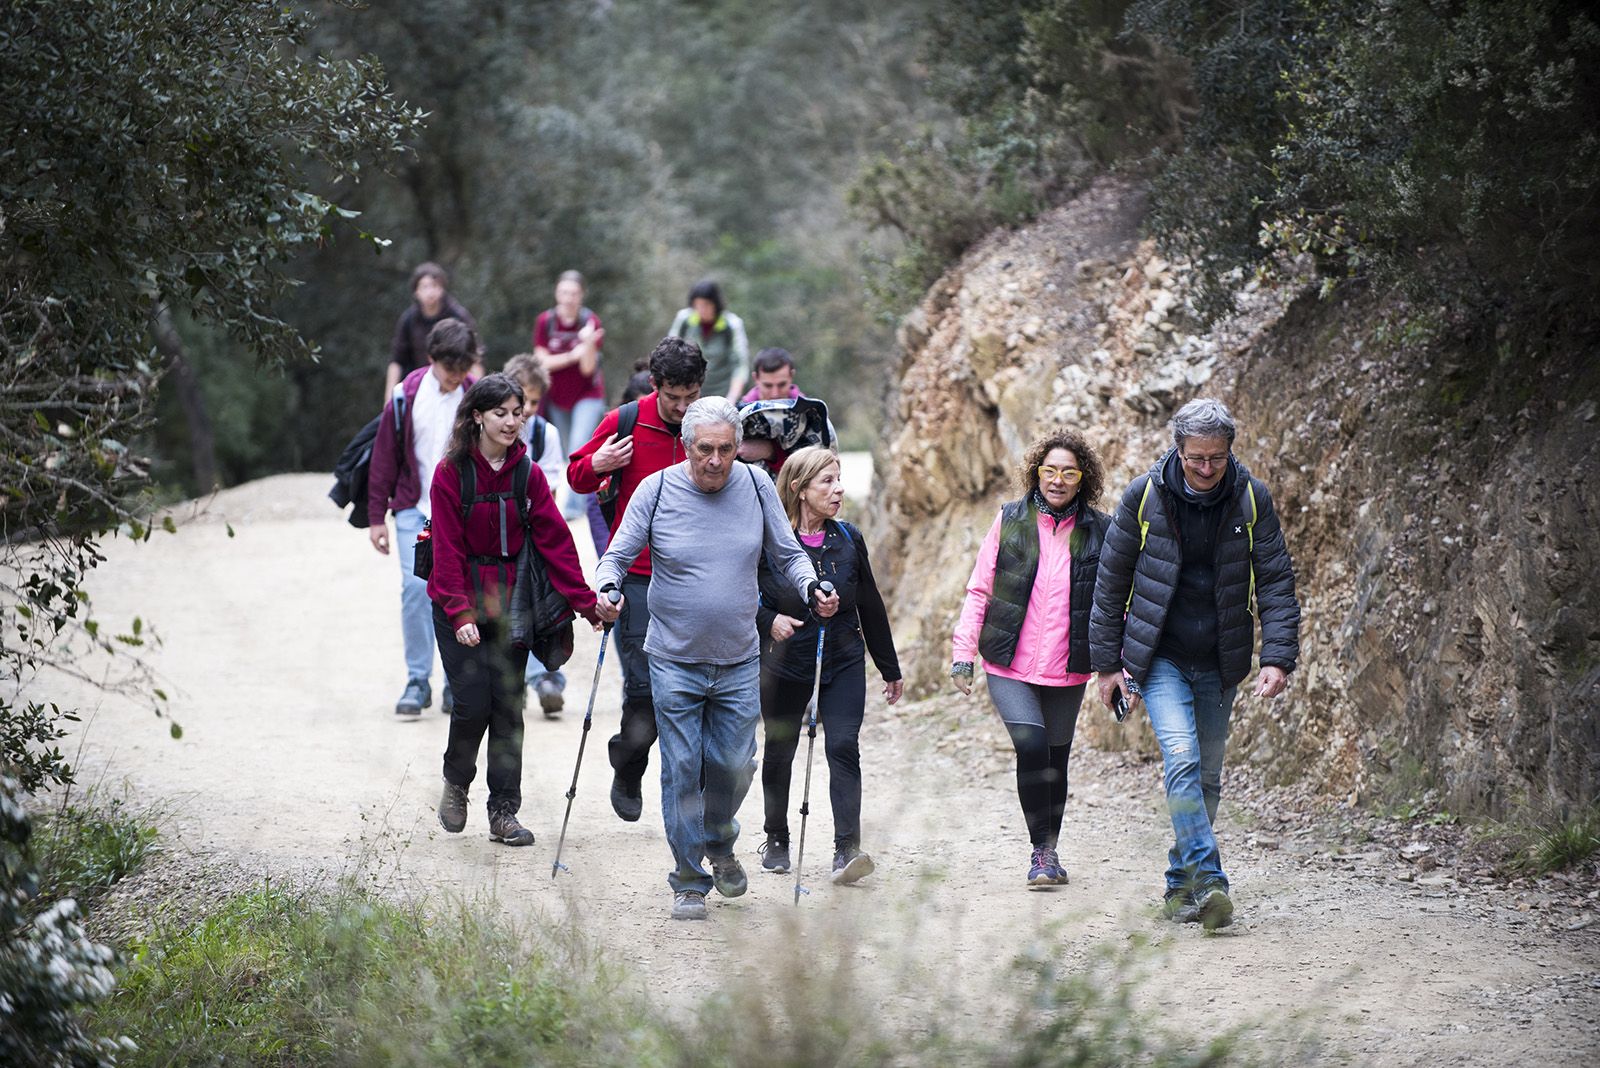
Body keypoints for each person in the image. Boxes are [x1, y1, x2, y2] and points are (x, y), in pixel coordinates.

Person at [593, 398, 837, 920]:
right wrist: (608, 590)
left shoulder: (755, 485)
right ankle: (688, 879)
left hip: (739, 659)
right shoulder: (655, 490)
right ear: (686, 447)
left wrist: (810, 585)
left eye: (726, 449)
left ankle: (719, 842)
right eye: (705, 449)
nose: (716, 460)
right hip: (673, 658)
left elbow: (788, 552)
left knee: (735, 764)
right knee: (682, 767)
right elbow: (616, 556)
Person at [1089, 398, 1300, 930]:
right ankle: (1210, 880)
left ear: (1230, 451)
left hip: (1221, 658)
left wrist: (1277, 657)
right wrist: (1107, 666)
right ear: (1177, 450)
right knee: (1182, 758)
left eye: (1217, 458)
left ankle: (1179, 885)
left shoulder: (1251, 498)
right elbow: (1110, 583)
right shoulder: (1144, 496)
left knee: (1206, 776)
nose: (1207, 468)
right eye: (1196, 458)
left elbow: (1275, 580)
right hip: (1159, 655)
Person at [429, 373, 601, 847]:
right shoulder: (450, 473)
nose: (511, 422)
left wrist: (586, 603)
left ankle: (503, 811)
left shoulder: (528, 474)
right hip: (458, 604)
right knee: (472, 704)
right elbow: (446, 552)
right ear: (477, 416)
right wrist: (460, 614)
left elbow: (556, 542)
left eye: (517, 413)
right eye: (500, 413)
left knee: (508, 708)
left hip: (512, 606)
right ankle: (456, 783)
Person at [950, 430, 1111, 889]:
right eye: (1049, 470)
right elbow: (979, 589)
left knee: (1056, 761)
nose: (1057, 480)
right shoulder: (1011, 519)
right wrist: (963, 653)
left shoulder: (1101, 530)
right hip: (1009, 664)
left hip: (1067, 666)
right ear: (1036, 473)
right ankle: (1039, 851)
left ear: (1083, 478)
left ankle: (1050, 850)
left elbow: (1114, 601)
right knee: (1033, 749)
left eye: (1069, 473)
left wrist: (1116, 665)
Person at [567, 337, 706, 823]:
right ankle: (629, 763)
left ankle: (690, 795)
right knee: (644, 688)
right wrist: (598, 464)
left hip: (697, 579)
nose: (683, 408)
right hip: (638, 578)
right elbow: (577, 477)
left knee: (693, 689)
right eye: (674, 398)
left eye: (692, 396)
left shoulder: (709, 424)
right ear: (654, 385)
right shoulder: (624, 420)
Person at [756, 446, 902, 886]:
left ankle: (846, 850)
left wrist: (889, 668)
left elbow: (870, 603)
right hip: (785, 663)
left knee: (842, 746)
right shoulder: (771, 542)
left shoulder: (848, 538)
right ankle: (776, 837)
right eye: (827, 481)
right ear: (799, 489)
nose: (838, 489)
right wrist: (769, 621)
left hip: (843, 658)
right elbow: (743, 599)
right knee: (780, 749)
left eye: (839, 480)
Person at [368, 318, 478, 715]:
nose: (456, 376)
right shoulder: (405, 395)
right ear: (432, 358)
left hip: (459, 512)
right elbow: (384, 457)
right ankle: (417, 680)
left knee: (459, 592)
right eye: (450, 368)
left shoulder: (474, 397)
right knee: (415, 590)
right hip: (414, 510)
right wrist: (376, 516)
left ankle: (454, 682)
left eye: (463, 368)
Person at [503, 355, 572, 717]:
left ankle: (545, 677)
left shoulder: (546, 435)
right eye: (522, 400)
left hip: (531, 533)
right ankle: (531, 680)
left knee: (536, 608)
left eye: (533, 401)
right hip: (498, 536)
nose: (527, 409)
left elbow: (551, 491)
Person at [532, 270, 606, 521]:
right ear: (556, 293)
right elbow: (541, 362)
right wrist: (572, 355)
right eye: (564, 292)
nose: (569, 298)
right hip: (556, 397)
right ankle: (583, 496)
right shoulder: (545, 322)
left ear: (581, 295)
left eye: (574, 293)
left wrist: (588, 344)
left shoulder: (590, 321)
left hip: (588, 395)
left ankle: (574, 509)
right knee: (568, 453)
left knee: (578, 445)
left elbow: (587, 369)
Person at [385, 262, 484, 402]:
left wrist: (478, 396)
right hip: (418, 389)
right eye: (425, 287)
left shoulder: (458, 316)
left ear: (442, 289)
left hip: (456, 386)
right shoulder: (408, 320)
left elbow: (474, 357)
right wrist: (389, 398)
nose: (430, 292)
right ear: (416, 291)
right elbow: (397, 360)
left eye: (435, 286)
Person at [668, 280, 749, 402]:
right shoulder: (684, 320)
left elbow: (740, 365)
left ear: (715, 304)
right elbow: (670, 353)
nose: (701, 310)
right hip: (690, 393)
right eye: (697, 305)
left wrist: (732, 398)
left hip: (722, 395)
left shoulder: (732, 324)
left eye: (706, 305)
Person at [739, 347, 804, 404]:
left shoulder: (807, 410)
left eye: (782, 385)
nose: (775, 395)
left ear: (791, 376)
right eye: (768, 386)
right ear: (756, 378)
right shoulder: (741, 412)